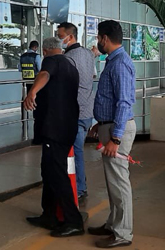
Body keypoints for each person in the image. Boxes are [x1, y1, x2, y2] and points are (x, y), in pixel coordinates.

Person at [24, 37, 84, 238]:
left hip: (54, 128)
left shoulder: (52, 61)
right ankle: (48, 215)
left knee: (57, 174)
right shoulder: (71, 66)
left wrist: (32, 92)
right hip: (66, 127)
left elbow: (44, 74)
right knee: (48, 171)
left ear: (46, 49)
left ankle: (73, 221)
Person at [87, 20, 136, 248]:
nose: (98, 42)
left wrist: (115, 138)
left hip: (119, 129)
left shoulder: (119, 64)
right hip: (110, 125)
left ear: (104, 38)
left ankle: (123, 233)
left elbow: (125, 103)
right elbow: (113, 99)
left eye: (98, 38)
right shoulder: (114, 61)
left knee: (119, 182)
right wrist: (101, 123)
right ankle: (113, 224)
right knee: (113, 183)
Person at [56, 22, 95, 202]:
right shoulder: (88, 54)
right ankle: (80, 184)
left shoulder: (68, 59)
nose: (58, 39)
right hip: (87, 111)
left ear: (70, 37)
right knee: (77, 151)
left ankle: (79, 187)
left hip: (75, 113)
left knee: (75, 152)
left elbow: (63, 86)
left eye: (60, 36)